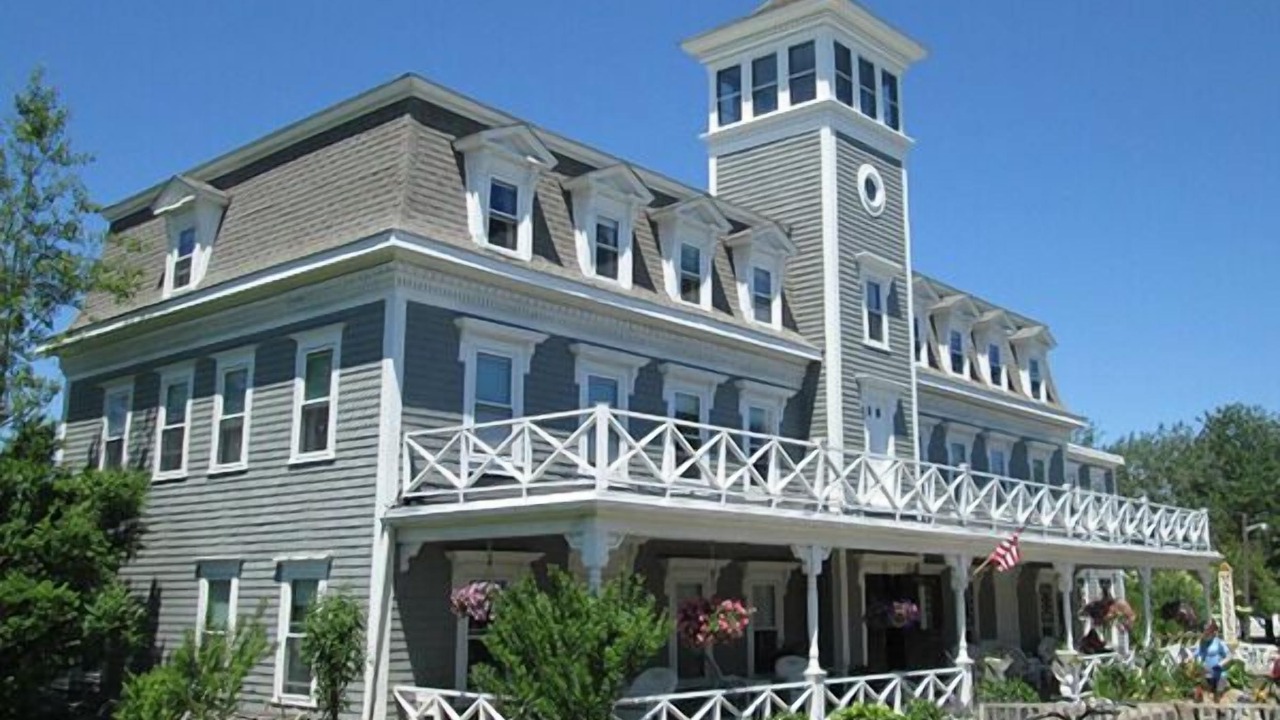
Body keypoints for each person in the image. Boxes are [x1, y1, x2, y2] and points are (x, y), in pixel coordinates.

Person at [1195, 622, 1229, 702]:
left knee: (1219, 690)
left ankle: (1218, 697)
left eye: (1208, 633)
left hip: (1218, 672)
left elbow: (1229, 656)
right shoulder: (1202, 643)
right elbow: (1198, 654)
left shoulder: (1219, 643)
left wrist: (1220, 664)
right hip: (1206, 672)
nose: (1205, 635)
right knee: (1202, 690)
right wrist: (1197, 662)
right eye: (1204, 633)